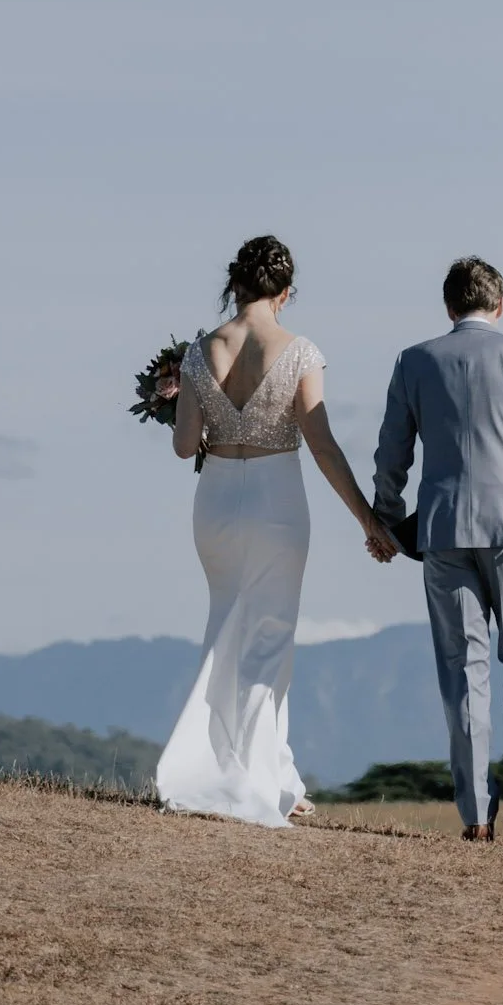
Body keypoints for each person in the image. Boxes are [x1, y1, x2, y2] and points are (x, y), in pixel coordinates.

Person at [157, 235, 395, 827]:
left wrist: (190, 412)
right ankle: (255, 781)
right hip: (275, 501)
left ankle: (260, 771)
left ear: (235, 285)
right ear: (285, 293)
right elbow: (323, 446)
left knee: (225, 625)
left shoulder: (197, 351)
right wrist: (368, 520)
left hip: (215, 502)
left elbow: (185, 444)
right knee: (268, 638)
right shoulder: (299, 350)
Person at [373, 256, 503, 843]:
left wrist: (386, 520)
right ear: (501, 304)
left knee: (463, 671)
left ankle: (475, 817)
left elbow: (392, 453)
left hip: (442, 531)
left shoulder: (414, 361)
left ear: (448, 306)